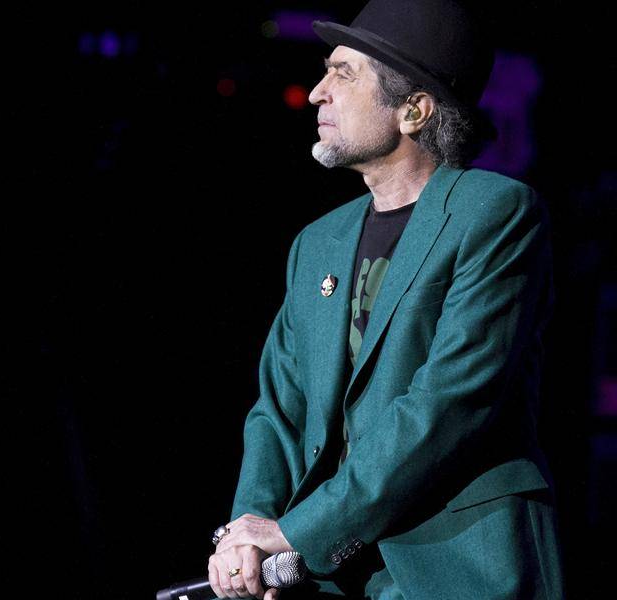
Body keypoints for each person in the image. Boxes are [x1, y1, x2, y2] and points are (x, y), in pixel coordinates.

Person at [206, 1, 566, 599]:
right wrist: (249, 531)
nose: (317, 92)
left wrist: (295, 532)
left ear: (413, 110)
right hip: (331, 575)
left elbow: (448, 404)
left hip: (458, 569)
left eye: (343, 74)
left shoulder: (494, 212)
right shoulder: (318, 242)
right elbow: (279, 409)